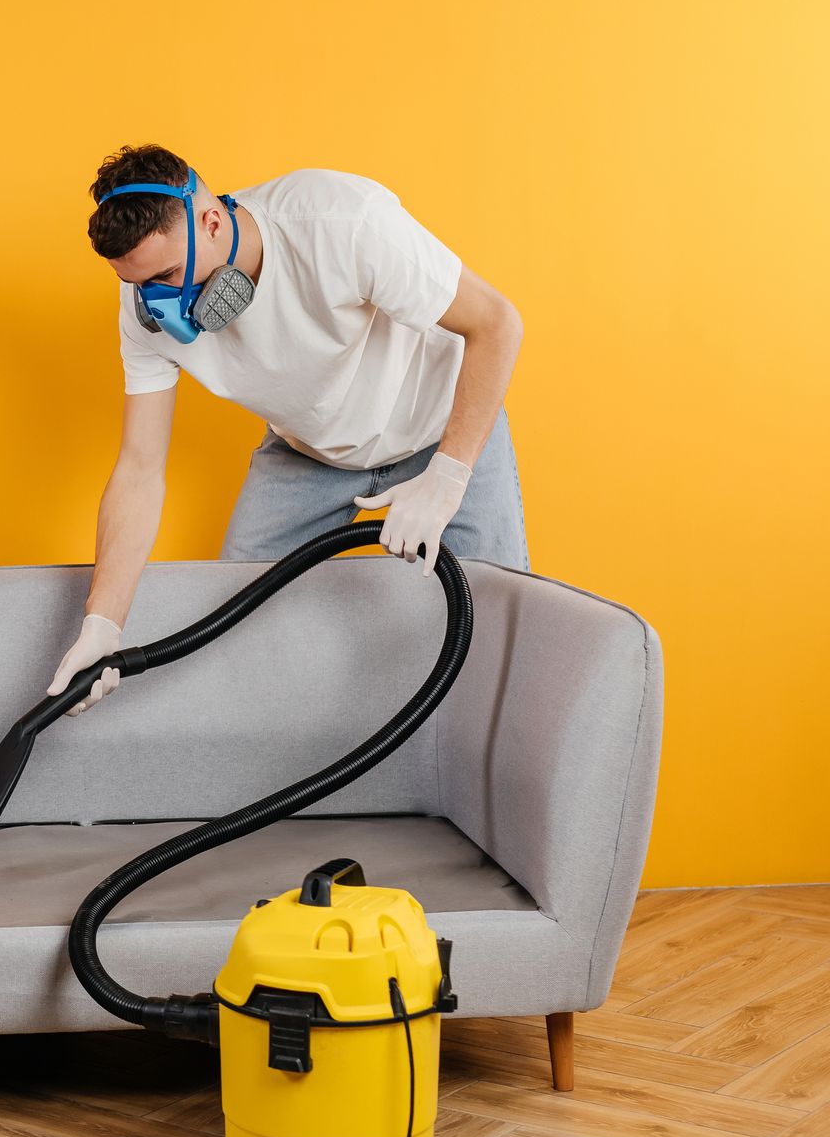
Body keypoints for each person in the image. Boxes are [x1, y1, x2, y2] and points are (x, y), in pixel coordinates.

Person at [49, 145, 527, 716]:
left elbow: (497, 323)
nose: (158, 303)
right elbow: (139, 469)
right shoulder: (142, 310)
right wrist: (103, 625)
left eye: (168, 276)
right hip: (309, 450)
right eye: (139, 284)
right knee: (236, 629)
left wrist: (448, 478)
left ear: (212, 220)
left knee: (496, 634)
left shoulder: (339, 222)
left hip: (440, 430)